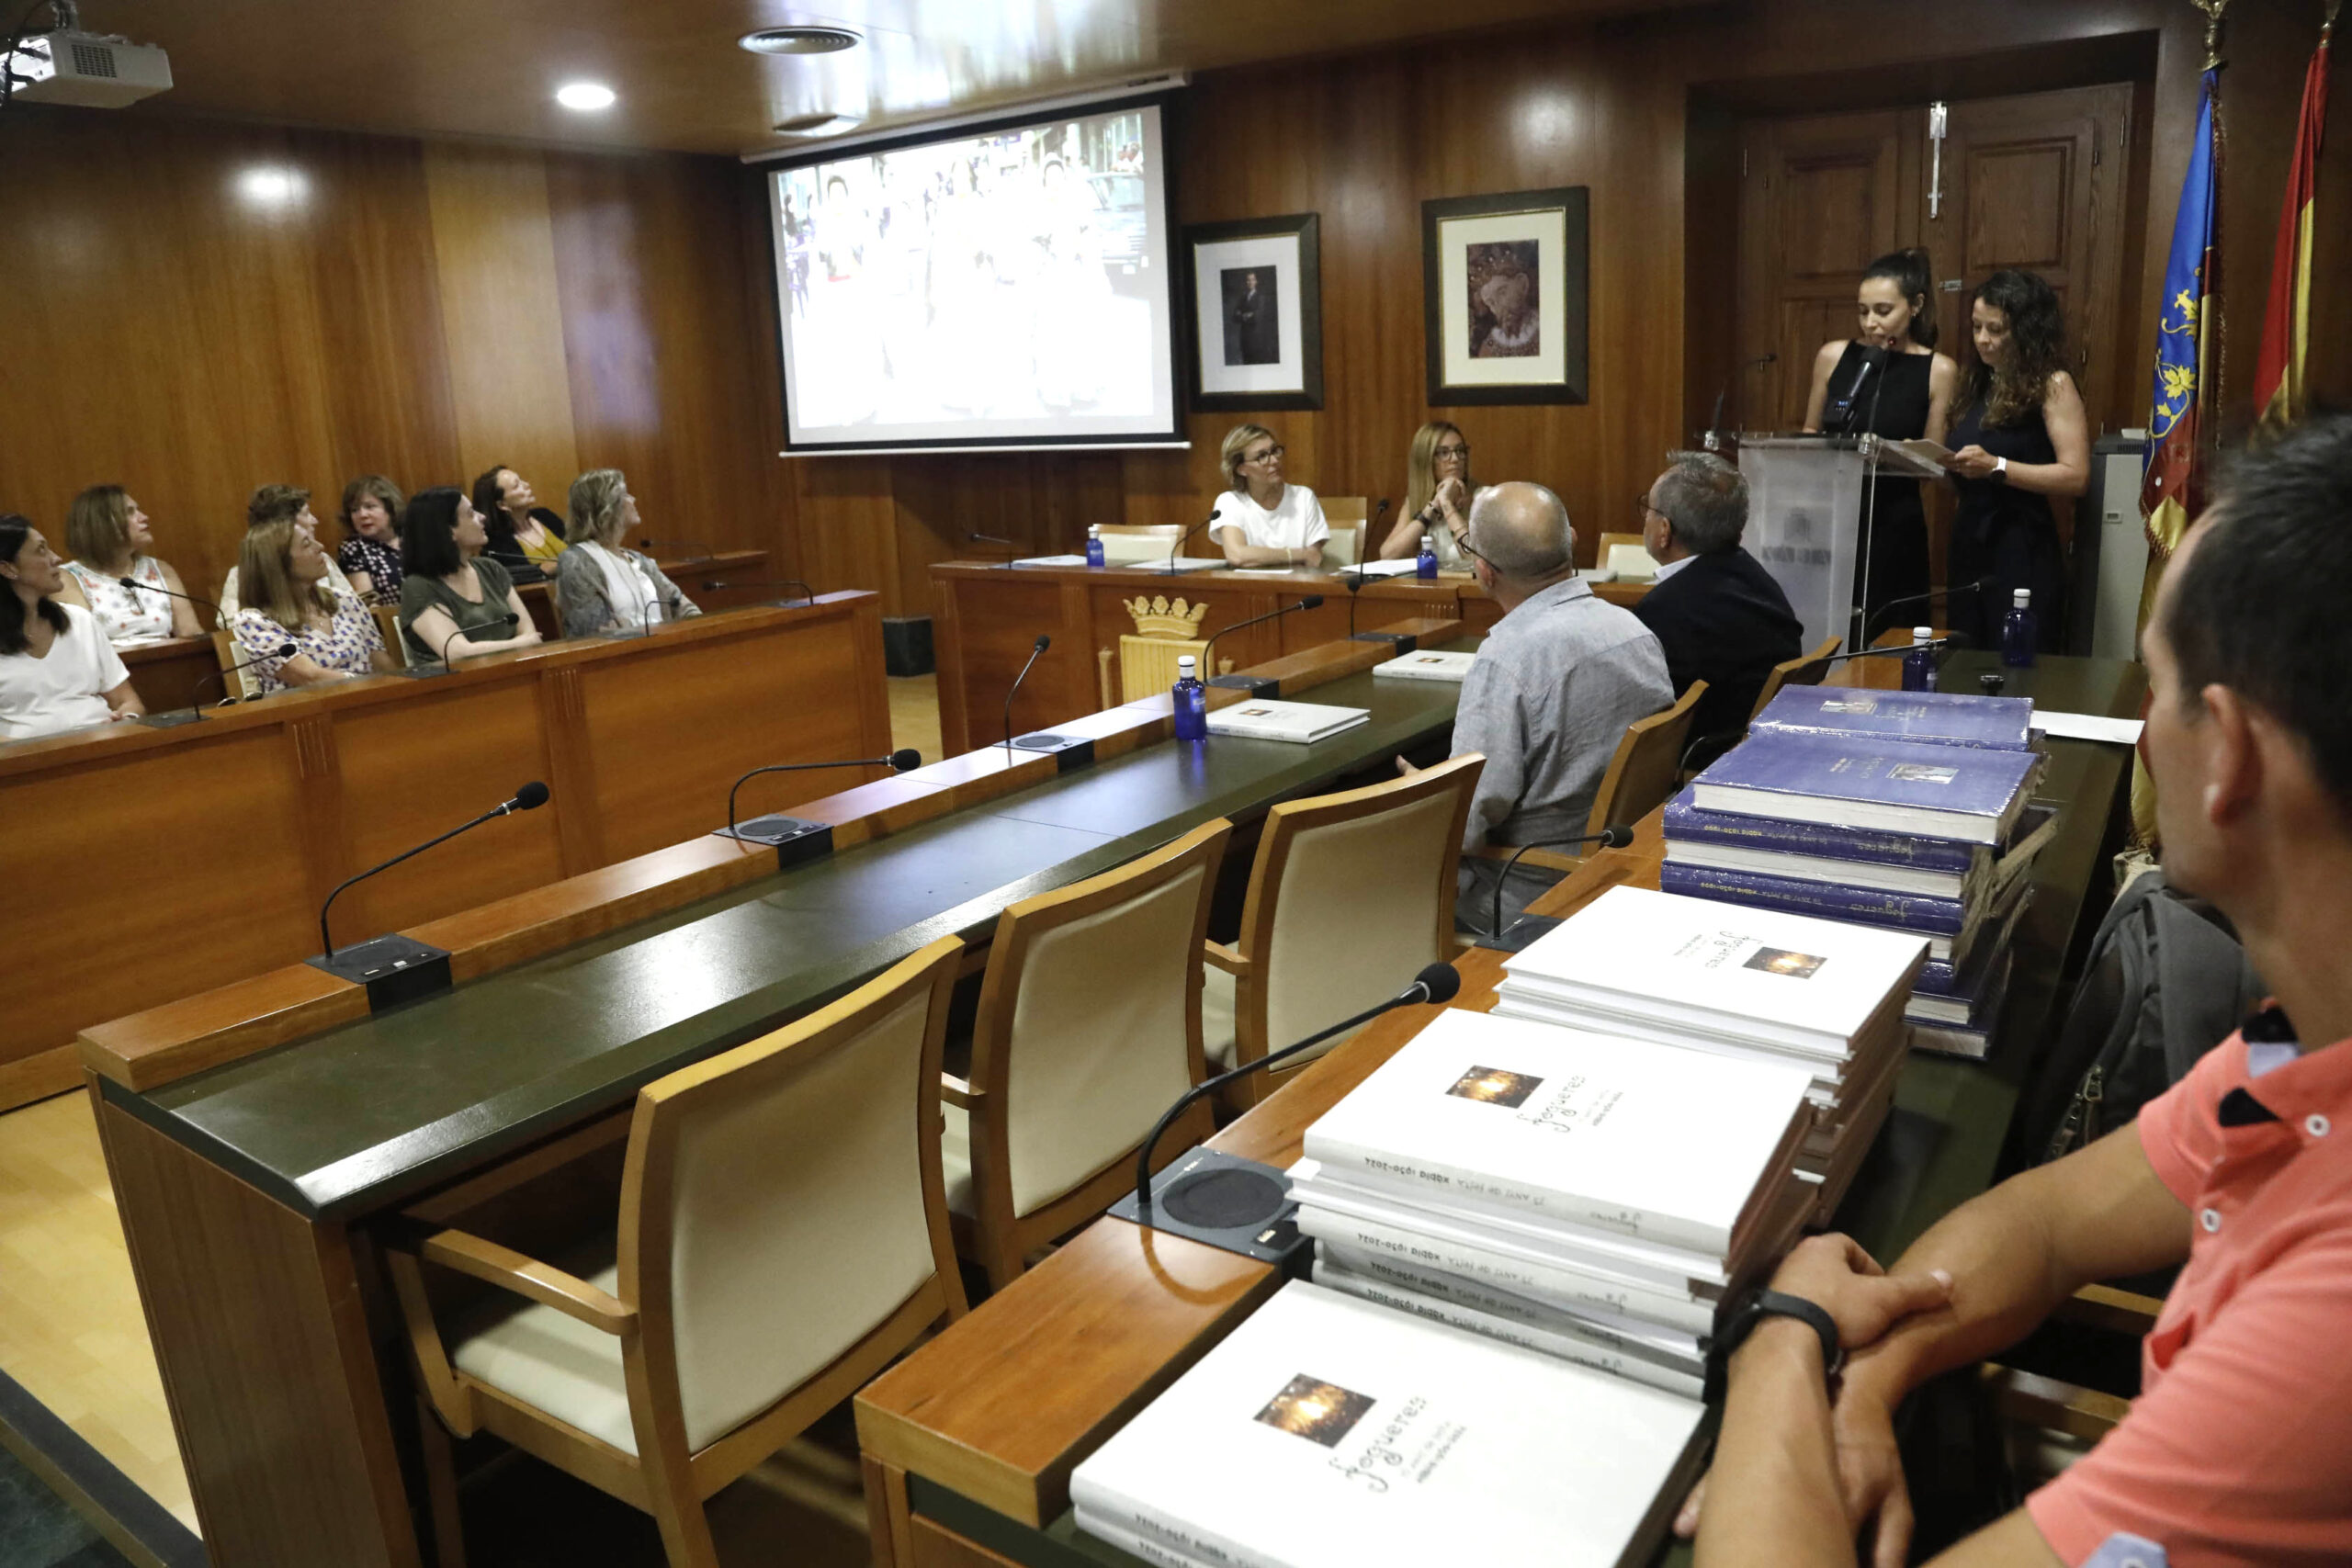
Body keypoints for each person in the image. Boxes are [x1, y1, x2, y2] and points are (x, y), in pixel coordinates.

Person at [1681, 414, 2352, 1568]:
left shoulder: (2324, 1335)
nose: (2147, 735)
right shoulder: (2299, 1052)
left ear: (2229, 752)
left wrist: (1777, 1340)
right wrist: (1869, 1379)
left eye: (2158, 691)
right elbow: (2044, 1222)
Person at [1414, 481, 1670, 937]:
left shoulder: (1505, 661)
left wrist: (1425, 796)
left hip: (1526, 891)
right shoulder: (1634, 630)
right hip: (1622, 871)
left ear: (1484, 571)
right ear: (1571, 541)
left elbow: (1464, 823)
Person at [1801, 247, 1960, 624]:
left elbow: (1934, 460)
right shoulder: (1834, 355)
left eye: (1883, 311)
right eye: (1862, 311)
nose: (1870, 323)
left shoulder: (1938, 370)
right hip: (1833, 515)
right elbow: (1810, 430)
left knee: (1891, 629)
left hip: (1894, 523)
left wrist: (1899, 454)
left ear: (1916, 305)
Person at [1944, 269, 2089, 655]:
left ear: (2025, 331)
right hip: (1969, 539)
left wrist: (1998, 466)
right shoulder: (1977, 382)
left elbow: (2076, 476)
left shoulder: (2052, 383)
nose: (1982, 340)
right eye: (1976, 327)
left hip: (2020, 543)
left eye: (1995, 330)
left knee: (2014, 662)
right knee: (1963, 659)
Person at [1631, 451, 1804, 763]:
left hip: (1708, 763)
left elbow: (1643, 722)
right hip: (1767, 752)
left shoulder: (1664, 612)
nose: (1646, 517)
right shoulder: (1754, 577)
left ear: (1664, 531)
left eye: (1649, 509)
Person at [226, 497, 399, 694]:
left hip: (371, 704)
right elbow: (311, 677)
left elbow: (381, 662)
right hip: (311, 717)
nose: (320, 547)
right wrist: (372, 687)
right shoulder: (254, 621)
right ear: (279, 564)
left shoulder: (345, 600)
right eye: (307, 544)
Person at [0, 514, 144, 739]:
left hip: (102, 747)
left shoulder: (80, 621)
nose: (56, 558)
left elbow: (128, 702)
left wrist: (127, 721)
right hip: (28, 764)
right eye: (41, 550)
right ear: (8, 569)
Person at [396, 487, 542, 665]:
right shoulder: (418, 586)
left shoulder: (491, 569)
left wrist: (525, 641)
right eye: (471, 513)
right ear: (449, 531)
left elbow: (529, 632)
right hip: (455, 686)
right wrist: (519, 643)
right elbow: (457, 652)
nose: (482, 517)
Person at [555, 469, 699, 638]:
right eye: (626, 495)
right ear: (607, 506)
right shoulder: (576, 561)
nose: (633, 499)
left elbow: (681, 606)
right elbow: (596, 631)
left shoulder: (640, 561)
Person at [52, 486, 205, 644]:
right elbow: (85, 644)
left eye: (138, 510)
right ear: (101, 523)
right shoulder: (67, 579)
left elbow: (191, 633)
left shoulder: (161, 569)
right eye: (130, 512)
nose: (144, 517)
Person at [218, 485, 359, 616]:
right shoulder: (241, 574)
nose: (314, 520)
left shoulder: (322, 560)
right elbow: (231, 626)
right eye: (306, 513)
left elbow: (353, 608)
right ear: (284, 522)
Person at [1209, 423, 1327, 570]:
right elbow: (1237, 556)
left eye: (1274, 451)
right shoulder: (1230, 502)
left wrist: (1256, 556)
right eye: (1262, 456)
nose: (1275, 461)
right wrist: (1297, 555)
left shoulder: (1303, 497)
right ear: (1241, 469)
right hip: (1251, 588)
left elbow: (1313, 558)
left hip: (1298, 587)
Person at [1377, 423, 1476, 568]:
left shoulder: (1482, 497)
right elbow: (1387, 555)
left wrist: (1447, 505)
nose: (1455, 459)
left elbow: (1473, 555)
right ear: (1426, 459)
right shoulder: (1416, 501)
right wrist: (1432, 507)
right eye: (1443, 453)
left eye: (1460, 450)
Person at [469, 465, 568, 581]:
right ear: (502, 505)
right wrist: (543, 569)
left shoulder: (545, 515)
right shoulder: (498, 545)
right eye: (517, 486)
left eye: (521, 480)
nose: (527, 485)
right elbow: (513, 578)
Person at [336, 476, 406, 604]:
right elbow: (368, 601)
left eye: (370, 507)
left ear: (390, 508)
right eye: (355, 510)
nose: (362, 515)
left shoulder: (412, 538)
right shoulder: (354, 547)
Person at [1228, 270, 1278, 365]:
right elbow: (1234, 317)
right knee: (1246, 361)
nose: (1250, 282)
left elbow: (1258, 316)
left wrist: (1244, 315)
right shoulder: (1242, 298)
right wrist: (1247, 315)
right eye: (1248, 280)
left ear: (1256, 282)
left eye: (1252, 280)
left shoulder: (1260, 297)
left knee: (1256, 362)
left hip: (1256, 338)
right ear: (1246, 282)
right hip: (1244, 337)